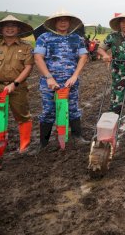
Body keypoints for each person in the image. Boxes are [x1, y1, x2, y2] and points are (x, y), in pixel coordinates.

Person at [0, 15, 35, 168]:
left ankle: (24, 145)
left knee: (22, 115)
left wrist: (14, 84)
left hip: (18, 87)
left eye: (13, 26)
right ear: (1, 29)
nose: (10, 28)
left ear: (19, 29)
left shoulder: (26, 47)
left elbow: (28, 67)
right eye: (6, 26)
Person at [33, 9, 89, 151]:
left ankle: (77, 136)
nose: (63, 22)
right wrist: (49, 78)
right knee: (48, 111)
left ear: (69, 22)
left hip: (71, 81)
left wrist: (75, 75)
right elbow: (38, 57)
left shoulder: (77, 38)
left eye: (66, 20)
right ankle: (43, 143)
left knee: (73, 108)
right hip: (50, 82)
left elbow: (83, 57)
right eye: (60, 20)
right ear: (54, 22)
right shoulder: (44, 38)